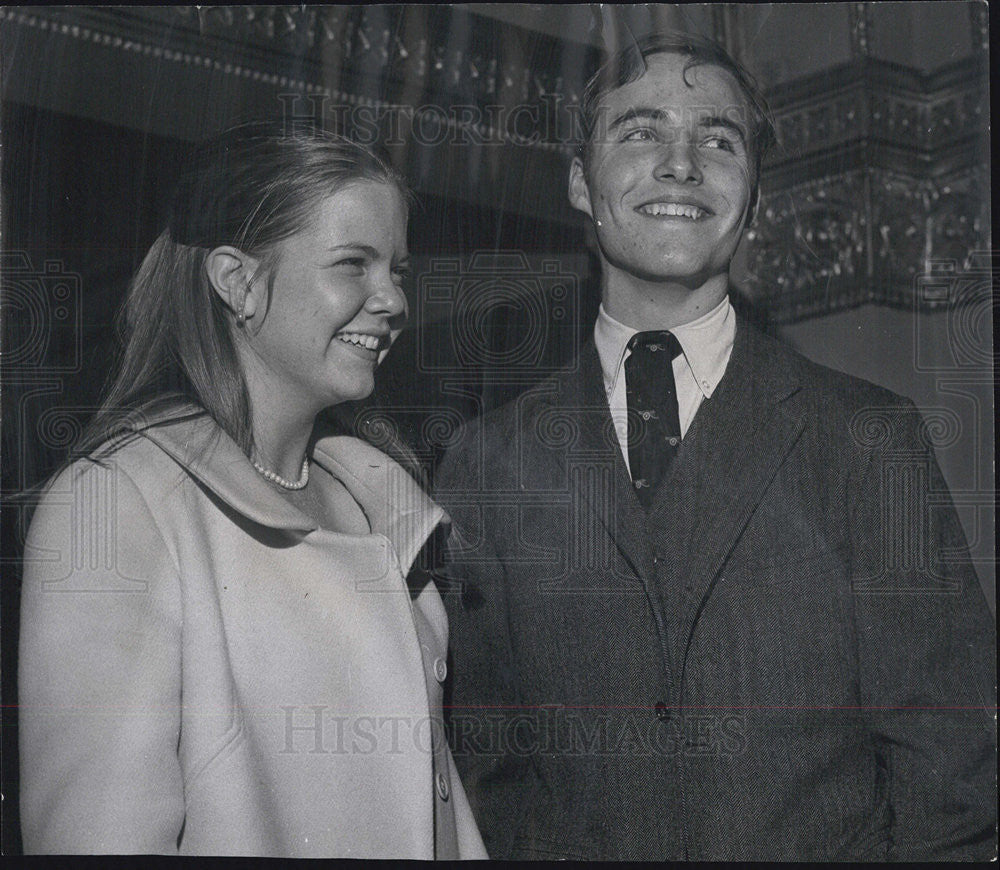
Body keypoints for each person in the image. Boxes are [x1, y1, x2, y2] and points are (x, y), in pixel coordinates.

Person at [433, 32, 996, 861]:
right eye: (639, 131)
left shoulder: (873, 441)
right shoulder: (484, 463)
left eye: (718, 138)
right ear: (581, 184)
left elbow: (953, 777)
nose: (681, 163)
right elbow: (487, 775)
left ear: (756, 197)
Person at [18, 123, 487, 859]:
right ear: (237, 280)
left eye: (396, 268)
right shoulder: (116, 506)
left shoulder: (386, 506)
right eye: (352, 264)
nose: (391, 298)